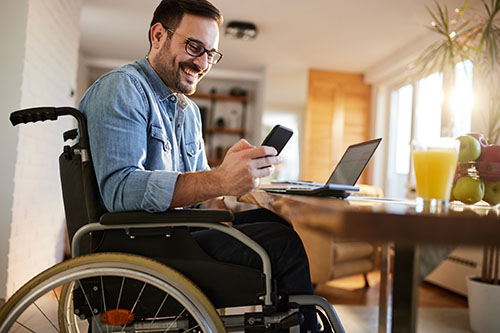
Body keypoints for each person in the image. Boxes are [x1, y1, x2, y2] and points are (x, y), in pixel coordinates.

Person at [79, 0, 317, 331]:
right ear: (158, 35)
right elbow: (121, 190)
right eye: (194, 46)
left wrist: (227, 192)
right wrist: (219, 179)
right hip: (145, 247)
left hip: (179, 234)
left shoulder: (189, 112)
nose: (202, 62)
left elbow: (205, 197)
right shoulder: (122, 88)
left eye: (211, 53)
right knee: (282, 244)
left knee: (271, 223)